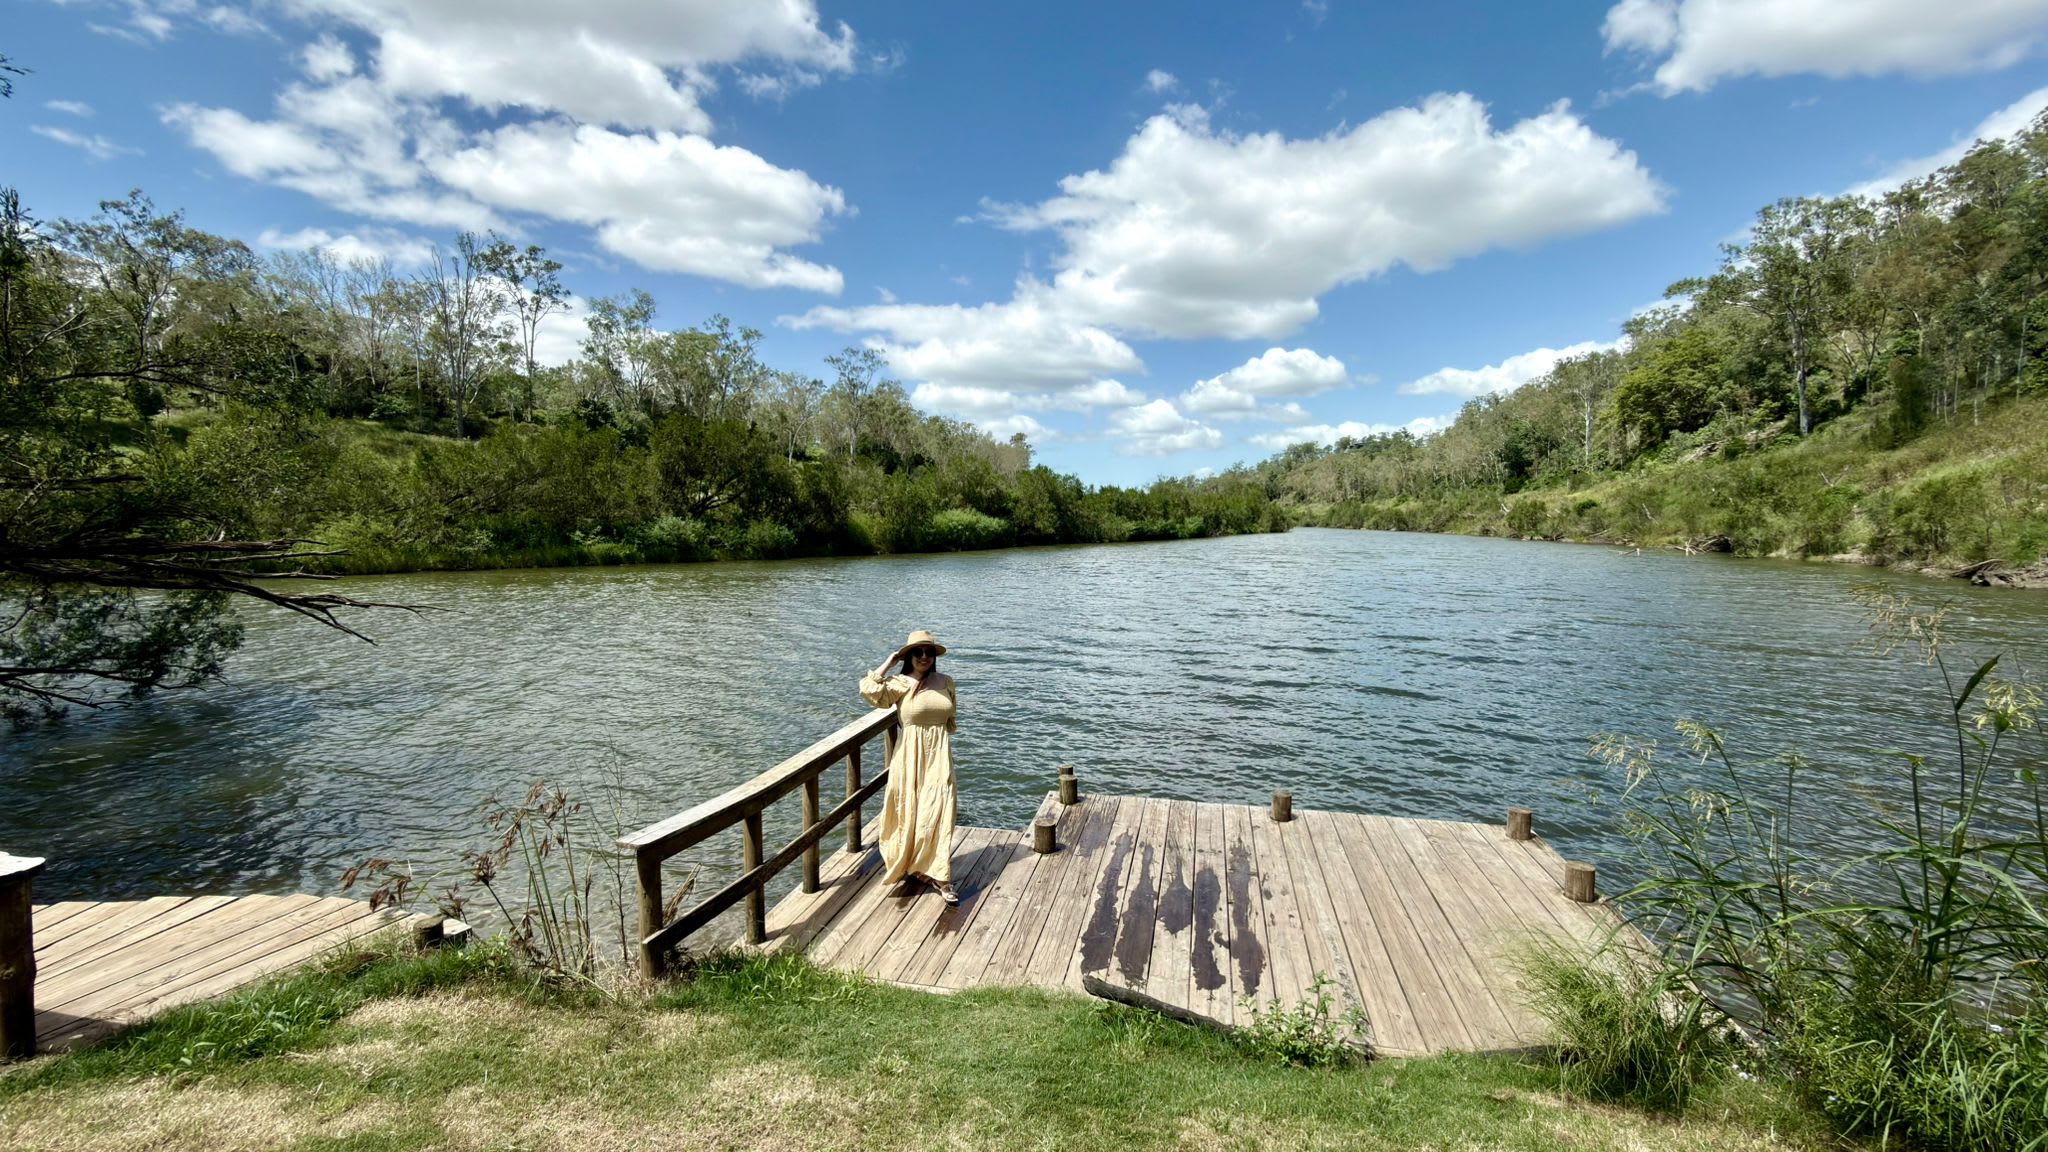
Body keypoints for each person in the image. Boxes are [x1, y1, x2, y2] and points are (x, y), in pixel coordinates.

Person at [859, 629, 959, 905]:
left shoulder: (946, 682)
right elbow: (868, 690)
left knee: (939, 809)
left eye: (929, 652)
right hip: (908, 757)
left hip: (939, 755)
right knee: (909, 809)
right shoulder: (899, 683)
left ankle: (940, 875)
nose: (924, 657)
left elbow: (951, 720)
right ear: (909, 656)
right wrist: (889, 663)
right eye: (918, 652)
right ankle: (914, 864)